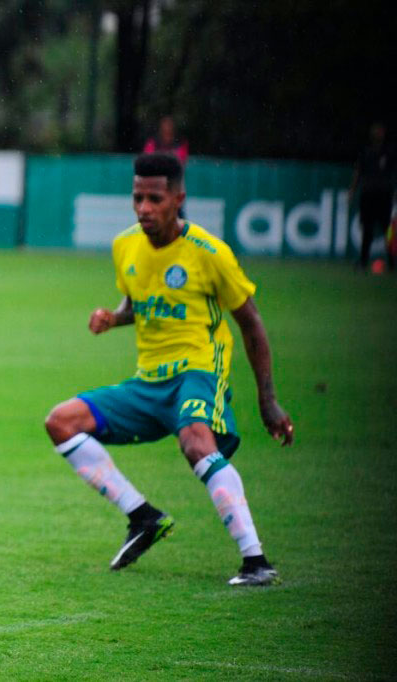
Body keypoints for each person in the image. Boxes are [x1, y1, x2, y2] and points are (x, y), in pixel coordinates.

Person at [44, 153, 294, 586]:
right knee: (61, 422)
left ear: (178, 199)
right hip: (148, 381)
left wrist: (267, 400)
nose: (144, 208)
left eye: (154, 198)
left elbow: (251, 324)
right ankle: (143, 517)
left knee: (195, 441)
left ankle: (255, 561)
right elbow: (138, 303)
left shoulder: (210, 253)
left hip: (198, 372)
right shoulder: (125, 246)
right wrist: (114, 318)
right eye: (138, 197)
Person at [348, 122, 395, 270]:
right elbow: (358, 172)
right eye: (376, 131)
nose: (378, 134)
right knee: (367, 228)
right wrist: (352, 191)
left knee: (387, 229)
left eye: (380, 131)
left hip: (384, 194)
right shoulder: (365, 151)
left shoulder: (389, 152)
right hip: (368, 194)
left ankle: (392, 261)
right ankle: (363, 260)